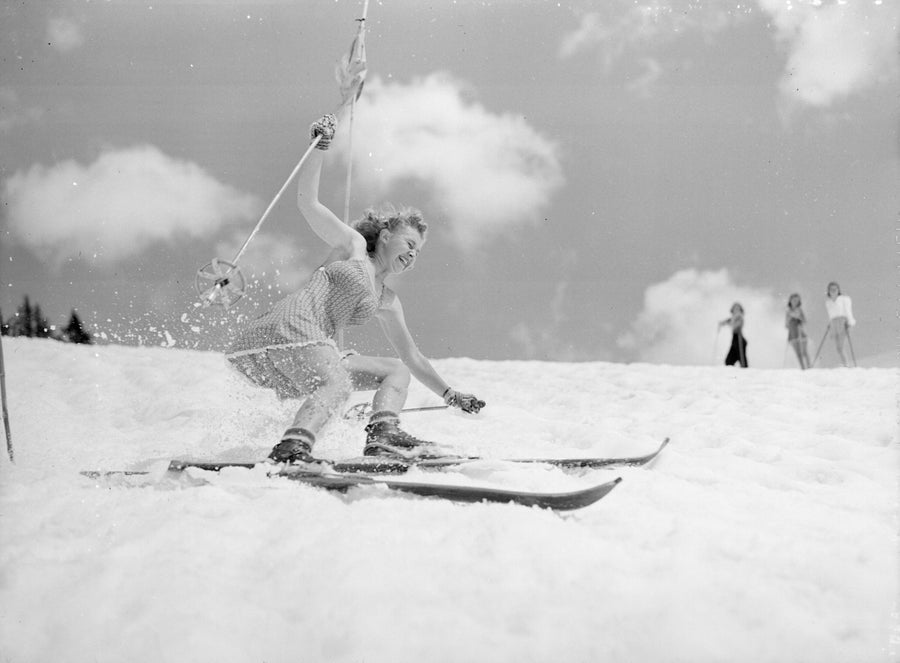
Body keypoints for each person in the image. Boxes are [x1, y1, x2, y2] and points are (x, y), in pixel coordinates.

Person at [226, 102, 484, 464]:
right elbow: (307, 202)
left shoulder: (387, 299)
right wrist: (320, 147)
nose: (412, 255)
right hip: (288, 330)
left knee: (395, 370)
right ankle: (291, 450)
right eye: (409, 244)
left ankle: (383, 438)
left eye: (418, 253)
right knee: (338, 384)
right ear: (384, 234)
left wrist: (450, 394)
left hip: (302, 350)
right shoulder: (354, 247)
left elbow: (411, 356)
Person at [824, 281, 856, 367]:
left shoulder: (844, 299)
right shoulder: (828, 302)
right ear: (829, 291)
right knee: (838, 347)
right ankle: (845, 364)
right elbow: (830, 315)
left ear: (838, 290)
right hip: (834, 324)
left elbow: (848, 311)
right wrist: (829, 324)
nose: (833, 291)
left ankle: (846, 364)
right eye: (831, 289)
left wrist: (849, 322)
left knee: (840, 346)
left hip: (843, 322)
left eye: (835, 289)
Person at [785, 293, 811, 369]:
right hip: (792, 334)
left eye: (797, 300)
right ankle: (803, 368)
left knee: (804, 352)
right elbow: (786, 325)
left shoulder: (800, 310)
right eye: (793, 300)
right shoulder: (788, 311)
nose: (795, 302)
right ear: (790, 301)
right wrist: (790, 318)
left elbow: (804, 321)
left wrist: (798, 317)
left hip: (801, 333)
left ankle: (809, 367)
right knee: (798, 353)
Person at [718, 302, 748, 368]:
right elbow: (728, 321)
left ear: (740, 309)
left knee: (742, 361)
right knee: (729, 361)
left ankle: (746, 374)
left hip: (739, 340)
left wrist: (737, 326)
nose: (736, 310)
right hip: (735, 340)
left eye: (737, 308)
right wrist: (721, 323)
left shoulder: (739, 316)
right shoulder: (733, 318)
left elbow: (739, 324)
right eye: (735, 308)